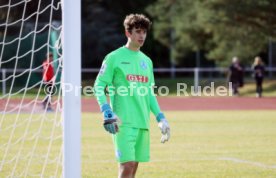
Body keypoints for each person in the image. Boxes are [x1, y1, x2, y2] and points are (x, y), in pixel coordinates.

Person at [94, 14, 170, 178]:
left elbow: (148, 93)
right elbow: (99, 85)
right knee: (126, 165)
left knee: (133, 167)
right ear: (128, 33)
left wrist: (160, 117)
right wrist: (106, 111)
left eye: (144, 32)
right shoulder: (114, 57)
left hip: (142, 121)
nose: (141, 35)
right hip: (123, 122)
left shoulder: (147, 61)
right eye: (137, 31)